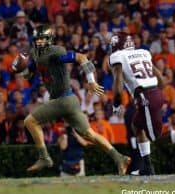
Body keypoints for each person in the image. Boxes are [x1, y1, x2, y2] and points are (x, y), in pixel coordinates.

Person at [12, 24, 130, 175]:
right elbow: (30, 74)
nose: (39, 42)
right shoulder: (36, 53)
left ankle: (44, 157)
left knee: (29, 121)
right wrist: (20, 69)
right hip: (69, 102)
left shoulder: (56, 52)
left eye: (42, 39)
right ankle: (119, 157)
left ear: (49, 39)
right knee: (89, 134)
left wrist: (91, 81)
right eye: (37, 39)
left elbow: (81, 57)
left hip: (63, 100)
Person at [109, 32, 175, 175]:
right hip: (153, 93)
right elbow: (160, 78)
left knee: (156, 139)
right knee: (137, 126)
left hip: (145, 96)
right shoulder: (142, 52)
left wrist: (116, 105)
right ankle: (147, 167)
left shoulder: (117, 57)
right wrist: (157, 93)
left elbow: (119, 86)